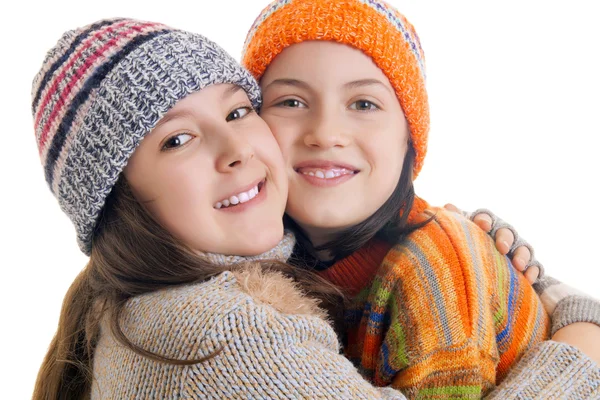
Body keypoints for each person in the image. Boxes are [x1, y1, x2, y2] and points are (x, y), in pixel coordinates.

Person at [241, 0, 600, 397]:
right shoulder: (256, 255)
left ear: (408, 137)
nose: (325, 133)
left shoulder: (433, 270)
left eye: (363, 104)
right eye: (291, 102)